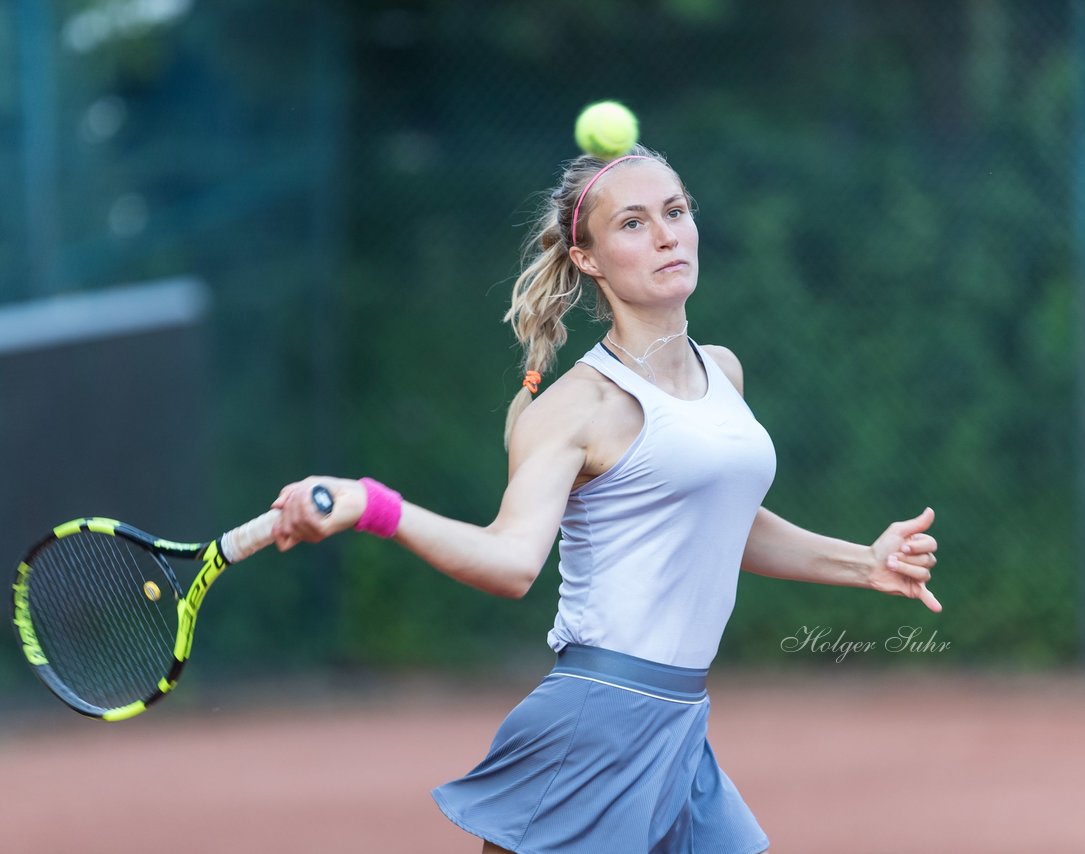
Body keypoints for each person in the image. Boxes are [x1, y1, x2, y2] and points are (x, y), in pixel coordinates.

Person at [269, 144, 940, 853]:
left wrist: (864, 562)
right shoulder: (578, 406)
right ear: (588, 259)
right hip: (597, 724)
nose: (665, 234)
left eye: (675, 212)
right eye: (632, 223)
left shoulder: (723, 372)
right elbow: (509, 561)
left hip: (679, 723)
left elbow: (720, 525)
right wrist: (374, 505)